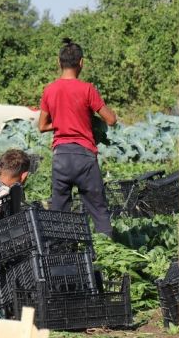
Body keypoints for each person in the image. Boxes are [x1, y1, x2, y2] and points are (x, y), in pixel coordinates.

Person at [38, 38, 118, 236]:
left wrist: (62, 122)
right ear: (81, 62)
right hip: (85, 157)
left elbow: (42, 126)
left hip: (61, 157)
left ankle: (63, 254)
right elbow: (111, 120)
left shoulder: (50, 90)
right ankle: (106, 256)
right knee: (99, 212)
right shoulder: (87, 89)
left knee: (59, 213)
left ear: (59, 62)